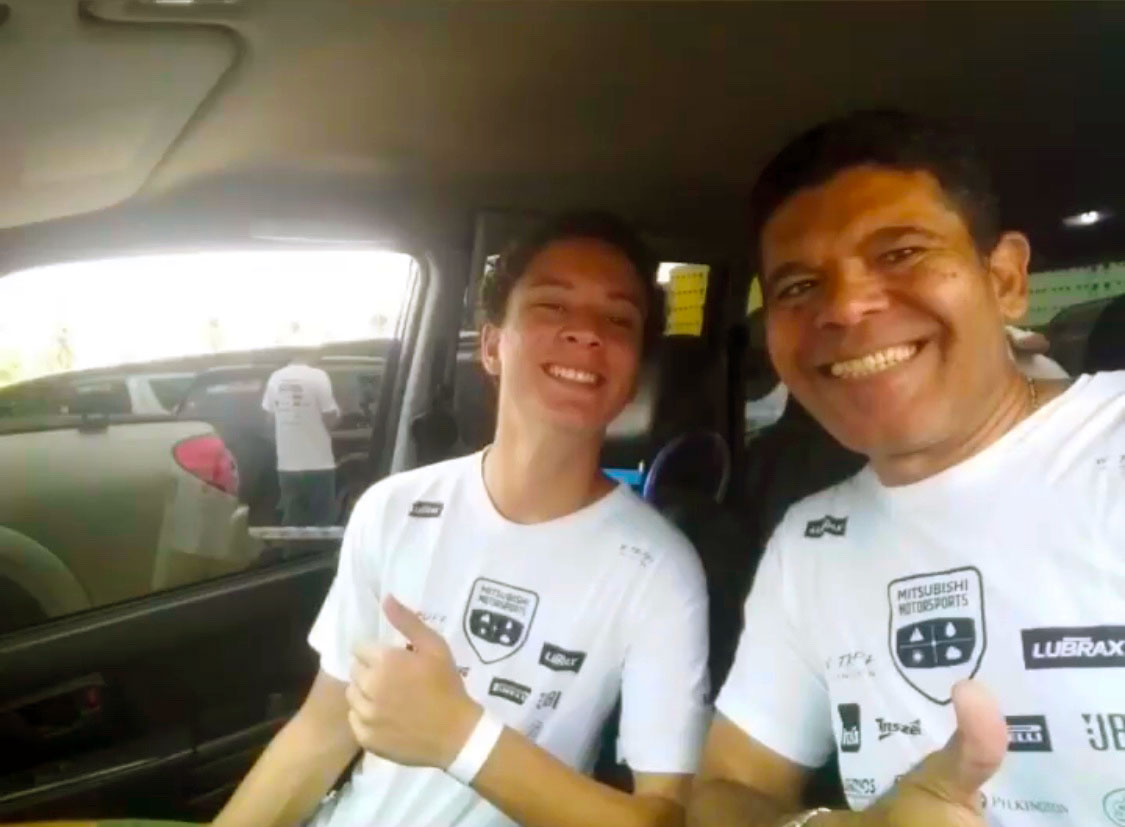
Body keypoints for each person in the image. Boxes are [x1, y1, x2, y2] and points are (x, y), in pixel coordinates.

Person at [688, 111, 1125, 827]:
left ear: (1005, 278)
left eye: (900, 253)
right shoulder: (809, 541)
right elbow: (725, 790)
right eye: (797, 286)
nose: (845, 306)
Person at [214, 212, 710, 827]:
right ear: (493, 345)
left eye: (618, 319)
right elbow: (322, 731)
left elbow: (661, 819)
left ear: (634, 370)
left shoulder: (658, 568)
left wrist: (460, 737)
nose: (586, 332)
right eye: (552, 306)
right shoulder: (393, 508)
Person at [262, 351, 341, 526]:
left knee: (293, 521)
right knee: (322, 522)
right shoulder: (318, 376)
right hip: (318, 464)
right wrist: (339, 414)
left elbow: (269, 419)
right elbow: (330, 419)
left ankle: (294, 544)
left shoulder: (275, 378)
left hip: (287, 465)